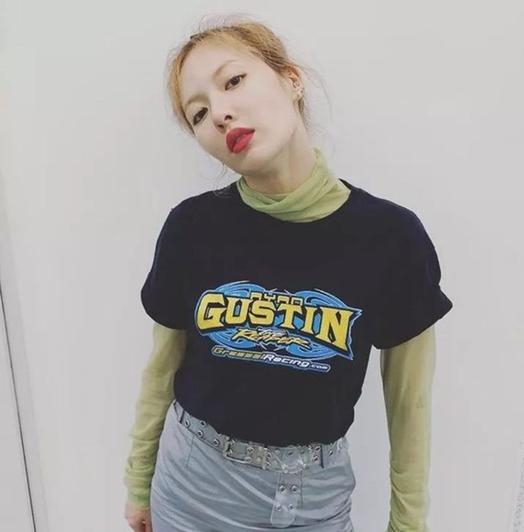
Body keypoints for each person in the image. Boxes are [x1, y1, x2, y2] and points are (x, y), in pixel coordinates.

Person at [124, 16, 452, 532]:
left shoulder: (391, 237)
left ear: (291, 79)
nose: (221, 114)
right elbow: (161, 368)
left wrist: (408, 523)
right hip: (191, 489)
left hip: (314, 502)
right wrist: (138, 482)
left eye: (234, 80)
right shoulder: (192, 227)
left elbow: (410, 403)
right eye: (199, 113)